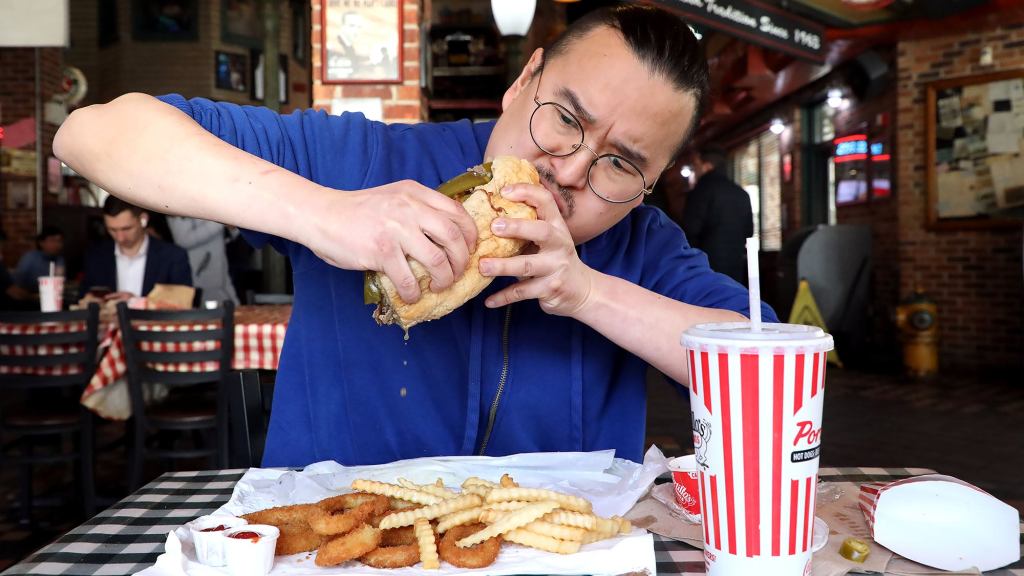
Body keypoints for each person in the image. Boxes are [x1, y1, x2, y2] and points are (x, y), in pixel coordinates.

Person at [54, 5, 777, 467]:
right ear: (524, 80)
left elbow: (771, 373)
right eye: (565, 118)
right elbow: (94, 133)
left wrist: (588, 293)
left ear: (651, 184)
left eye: (620, 164)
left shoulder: (641, 244)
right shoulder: (365, 162)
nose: (570, 171)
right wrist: (324, 214)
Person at [81, 196, 192, 301]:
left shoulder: (173, 257)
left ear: (143, 220)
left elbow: (182, 304)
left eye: (126, 229)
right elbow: (85, 295)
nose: (120, 238)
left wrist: (137, 303)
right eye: (112, 230)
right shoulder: (96, 256)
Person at [682, 146, 755, 284]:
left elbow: (690, 229)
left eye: (696, 164)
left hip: (705, 268)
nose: (694, 169)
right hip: (736, 266)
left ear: (707, 166)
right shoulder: (742, 194)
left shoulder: (700, 191)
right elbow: (749, 232)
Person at [166, 216, 239, 304]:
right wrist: (220, 221)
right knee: (209, 313)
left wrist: (232, 229)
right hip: (199, 276)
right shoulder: (178, 203)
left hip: (221, 272)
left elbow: (224, 236)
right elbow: (182, 240)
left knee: (235, 311)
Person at [10, 225, 66, 299]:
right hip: (26, 301)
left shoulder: (59, 260)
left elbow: (59, 282)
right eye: (52, 241)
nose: (57, 245)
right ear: (41, 243)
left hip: (50, 299)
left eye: (59, 241)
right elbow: (16, 285)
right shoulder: (30, 258)